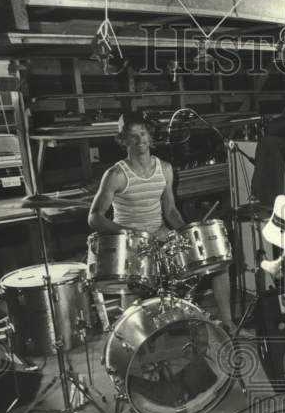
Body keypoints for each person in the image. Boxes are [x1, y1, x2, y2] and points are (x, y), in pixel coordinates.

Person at [89, 113, 243, 336]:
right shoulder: (115, 174)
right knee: (132, 285)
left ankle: (228, 323)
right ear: (124, 141)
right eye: (132, 136)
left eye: (142, 133)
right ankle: (132, 339)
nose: (139, 139)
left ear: (150, 137)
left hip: (160, 234)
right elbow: (94, 217)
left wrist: (187, 233)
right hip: (131, 243)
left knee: (218, 264)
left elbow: (170, 210)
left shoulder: (165, 169)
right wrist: (131, 232)